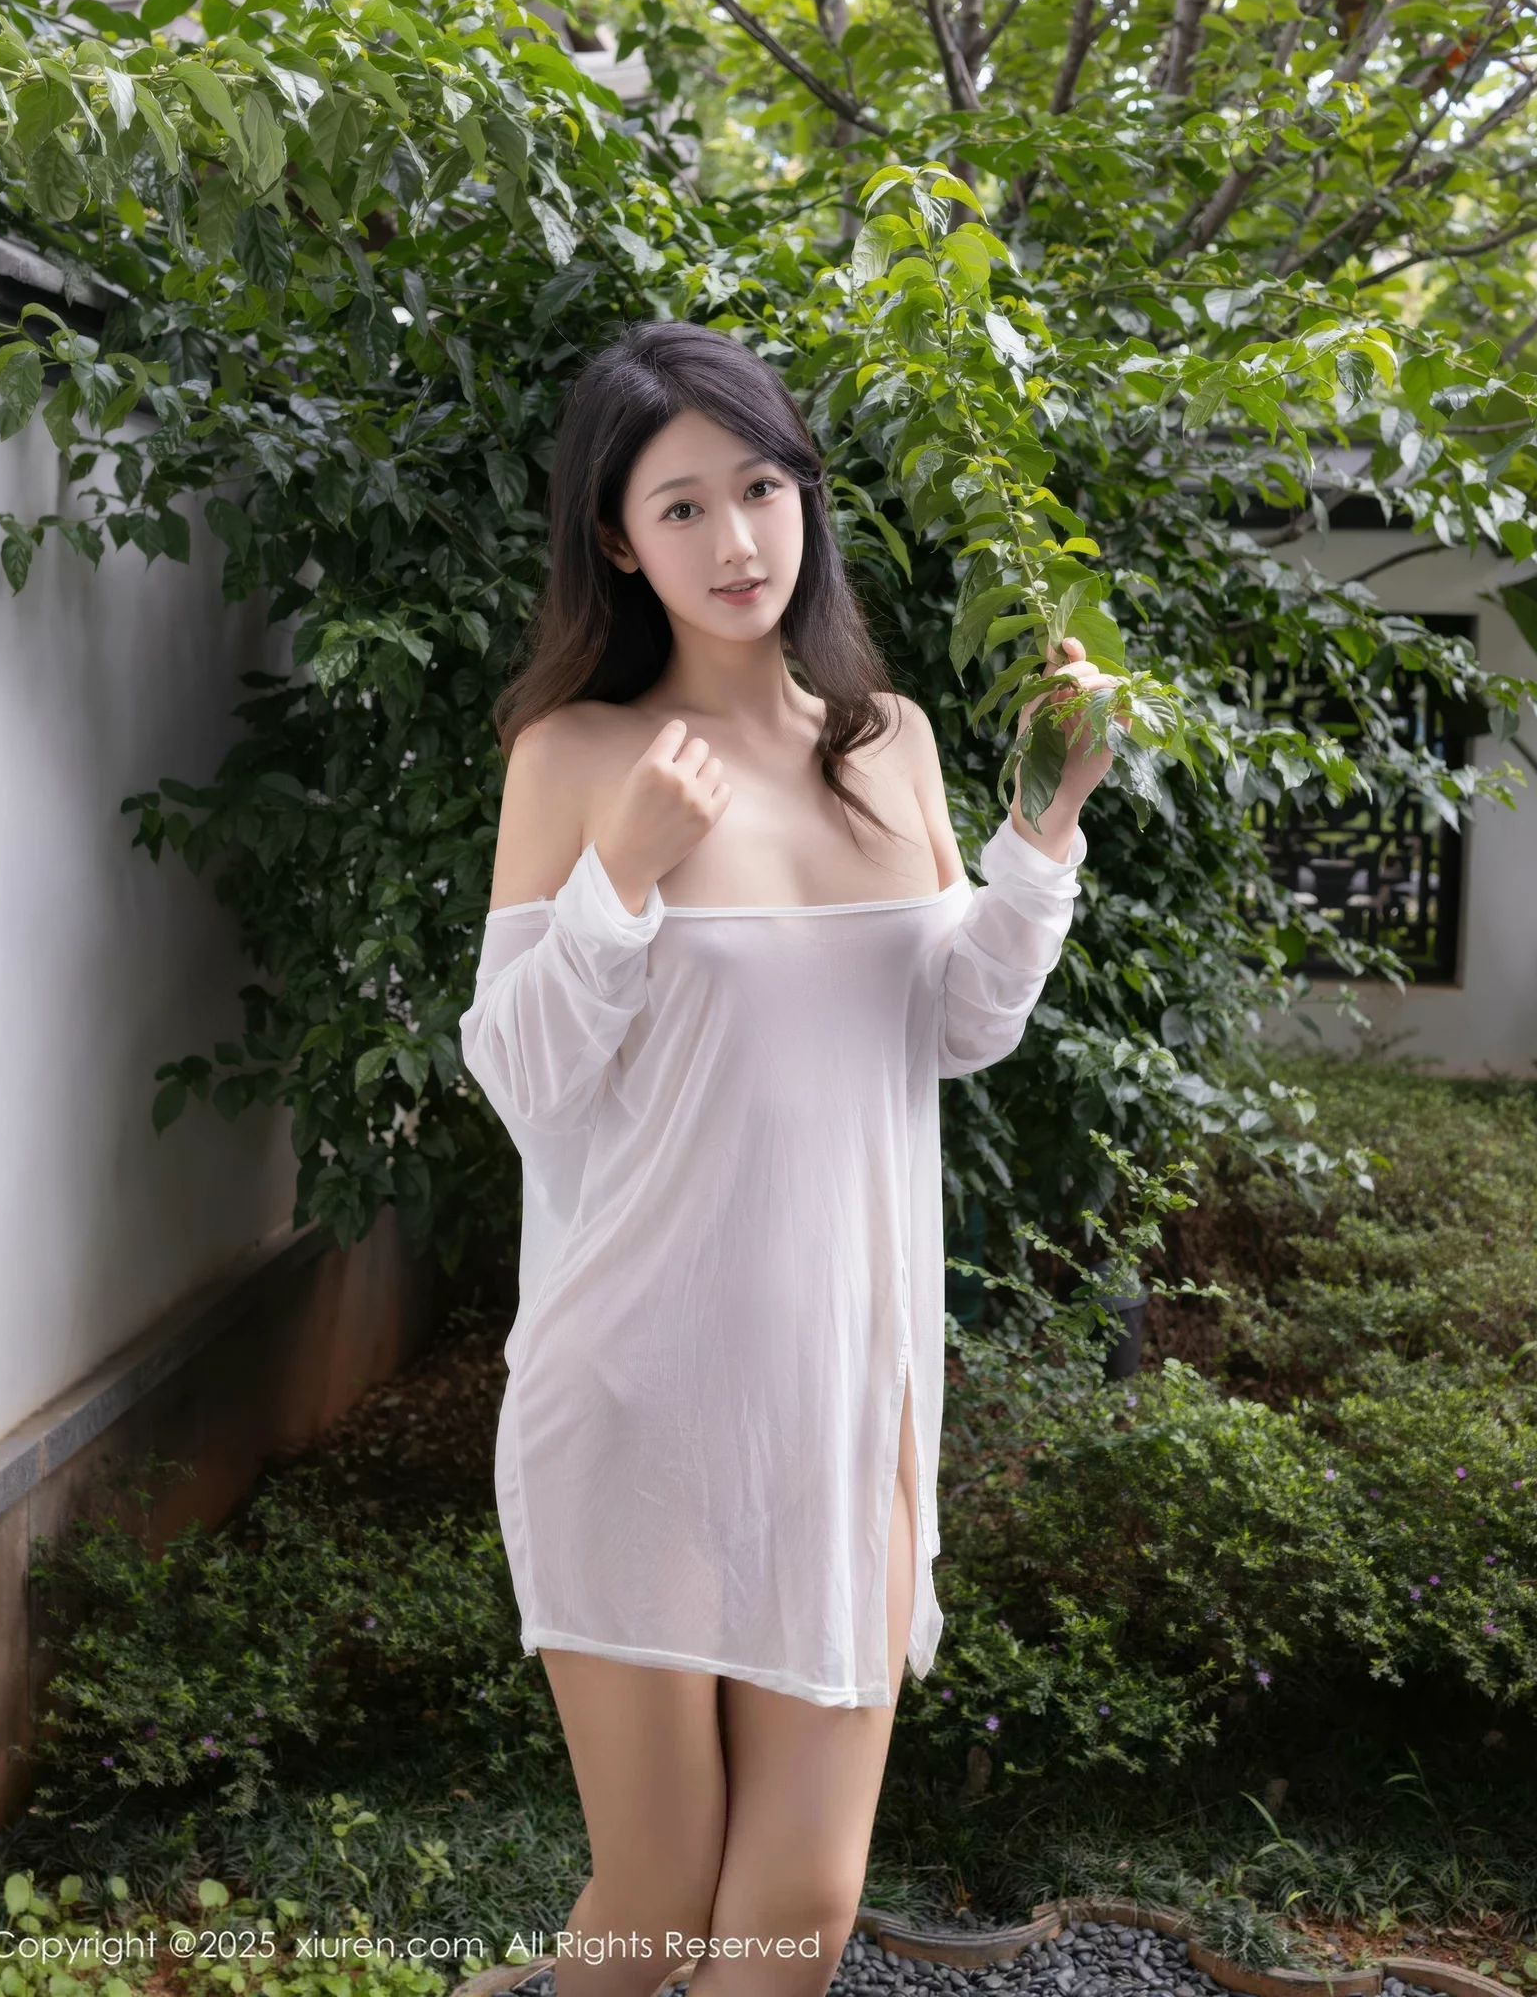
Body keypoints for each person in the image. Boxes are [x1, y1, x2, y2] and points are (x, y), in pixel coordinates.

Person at [459, 323, 1117, 1997]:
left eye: (761, 488)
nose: (737, 539)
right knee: (663, 1893)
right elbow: (521, 1073)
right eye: (681, 506)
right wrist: (619, 875)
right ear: (620, 542)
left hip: (846, 1403)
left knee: (802, 1910)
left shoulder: (888, 742)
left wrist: (1045, 827)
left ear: (805, 496)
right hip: (638, 1397)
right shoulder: (576, 757)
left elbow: (954, 1023)